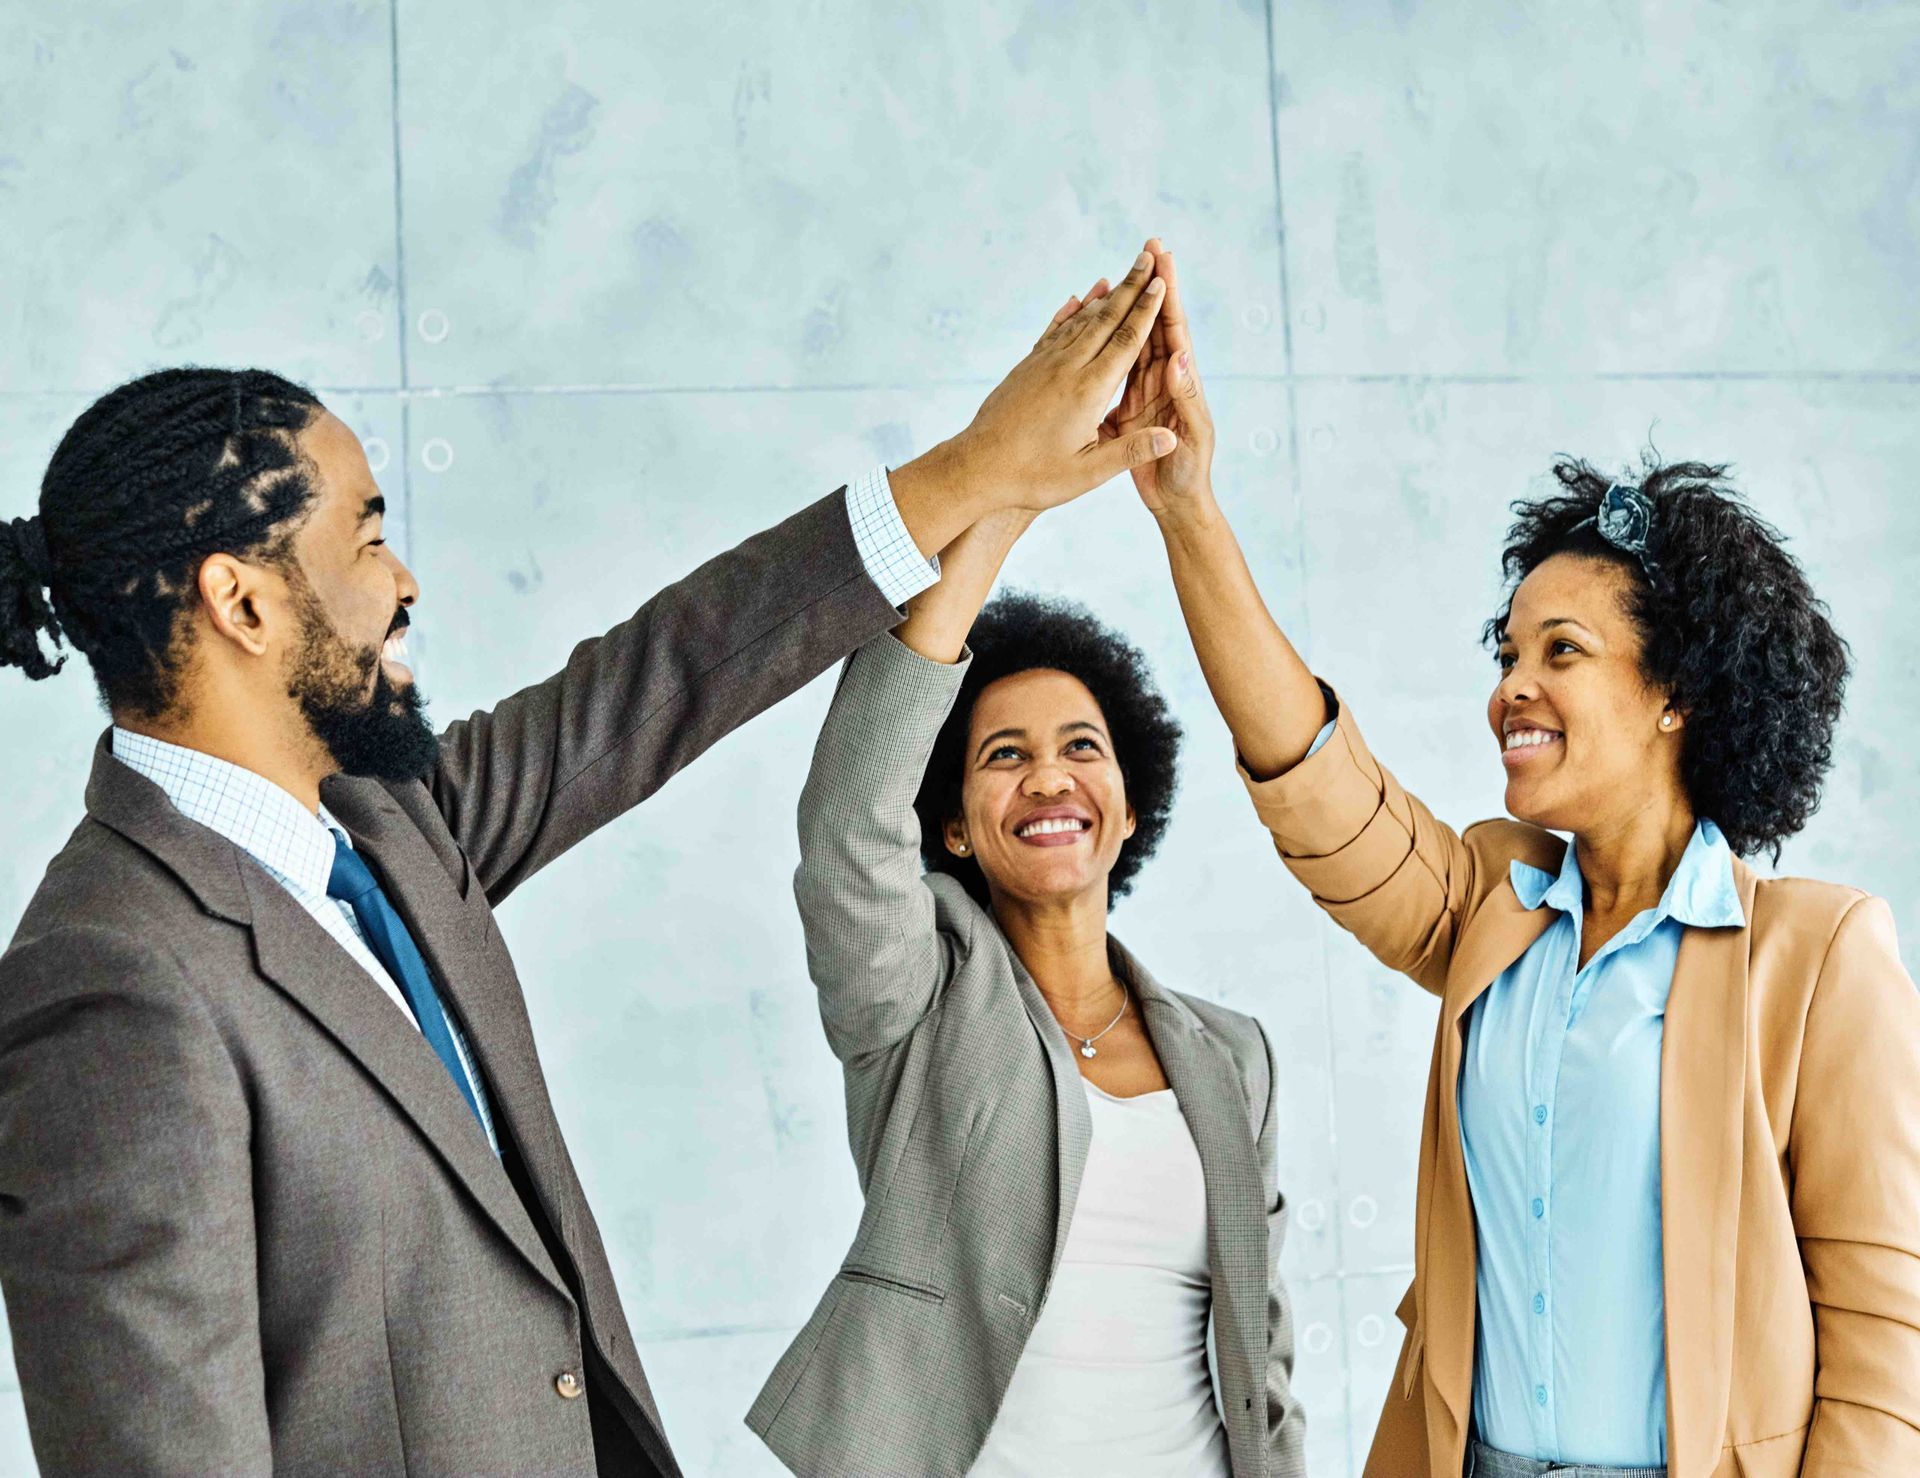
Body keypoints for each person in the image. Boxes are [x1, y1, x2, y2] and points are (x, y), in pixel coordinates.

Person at [0, 249, 1179, 1477]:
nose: (402, 585)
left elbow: (662, 676)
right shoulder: (108, 984)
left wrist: (981, 472)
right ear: (242, 603)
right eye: (365, 540)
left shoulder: (397, 826)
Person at [1113, 242, 1920, 1476]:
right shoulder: (1495, 905)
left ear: (1677, 696)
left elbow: (1885, 1344)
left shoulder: (1818, 956)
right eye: (1506, 652)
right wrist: (1189, 512)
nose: (1512, 687)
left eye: (1562, 651)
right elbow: (1318, 786)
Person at [749, 278, 1306, 1478]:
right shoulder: (912, 1001)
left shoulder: (1234, 1057)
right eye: (1005, 756)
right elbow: (849, 815)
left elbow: (1263, 1368)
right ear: (949, 823)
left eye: (1081, 749)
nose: (1049, 778)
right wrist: (1007, 495)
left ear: (1127, 806)